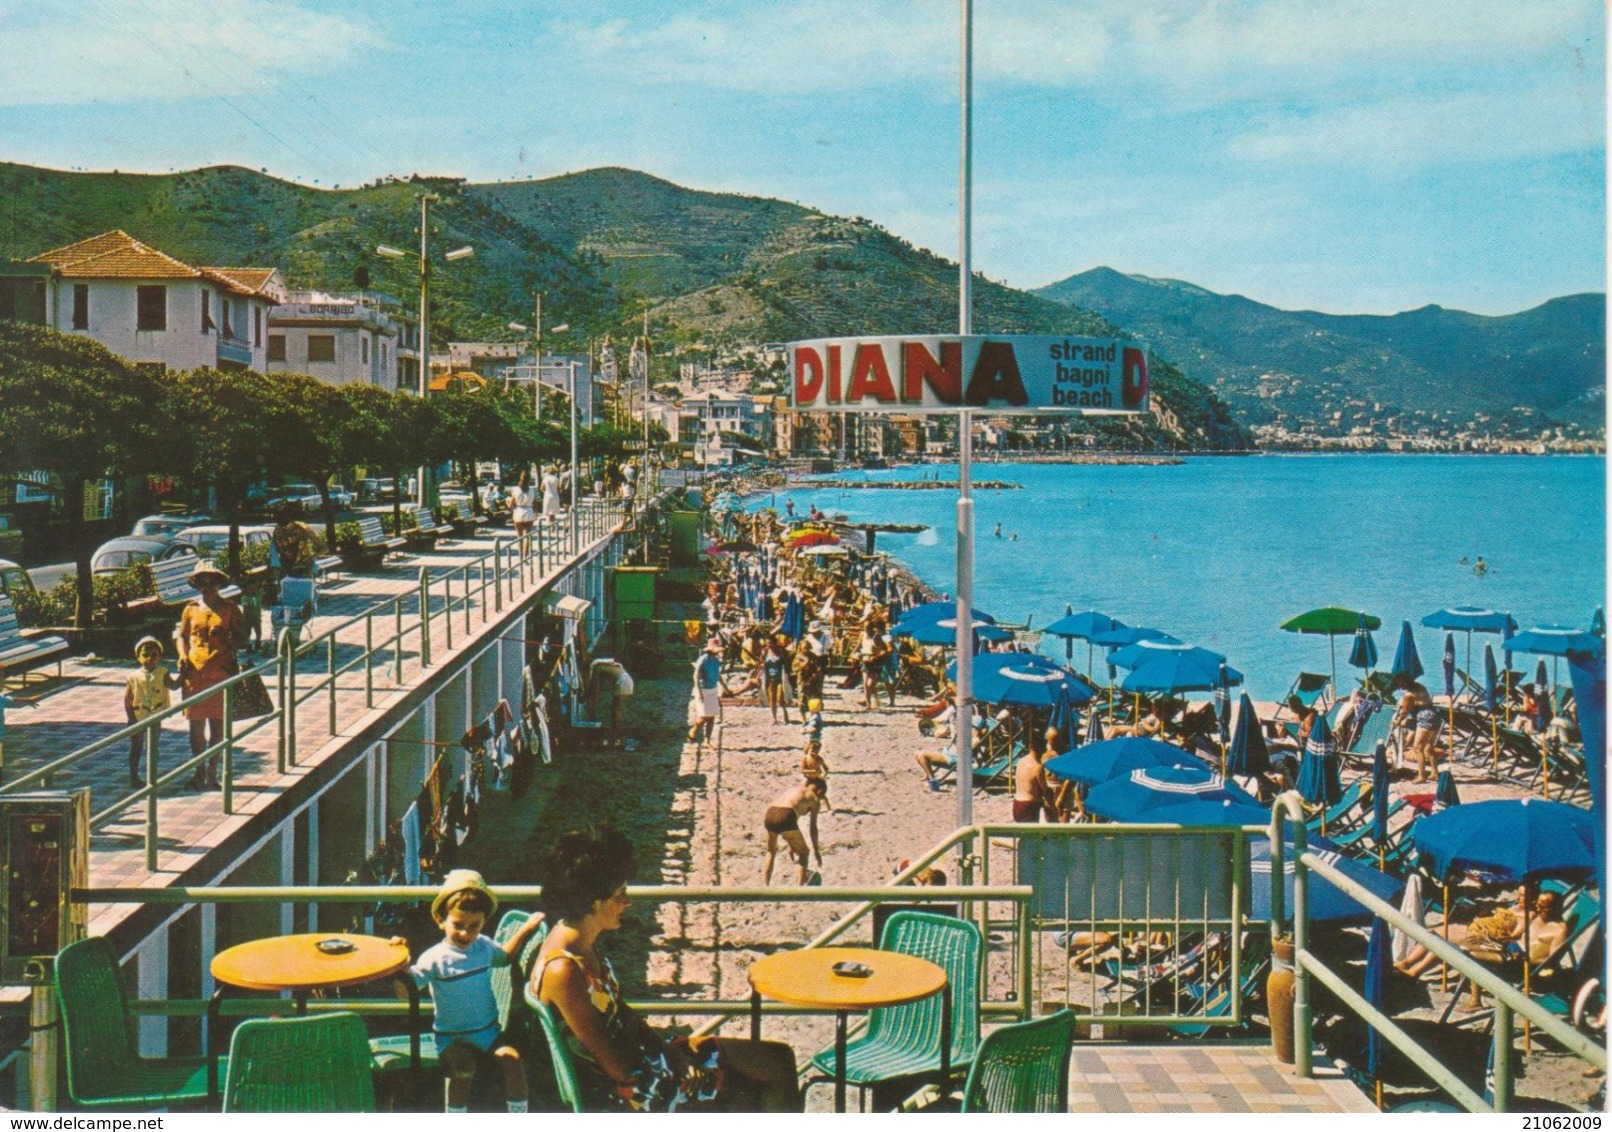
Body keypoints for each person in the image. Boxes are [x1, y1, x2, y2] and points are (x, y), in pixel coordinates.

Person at [532, 823, 802, 1111]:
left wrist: (670, 1052)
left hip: (646, 1057)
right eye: (620, 894)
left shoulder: (582, 943)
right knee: (754, 1087)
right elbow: (616, 1068)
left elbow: (621, 1014)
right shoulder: (564, 970)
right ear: (595, 903)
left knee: (780, 1058)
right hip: (630, 1090)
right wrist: (679, 1068)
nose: (628, 902)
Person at [398, 870, 547, 1113]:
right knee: (463, 1069)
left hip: (489, 1033)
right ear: (440, 920)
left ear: (483, 922)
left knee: (513, 1061)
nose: (466, 933)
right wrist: (402, 965)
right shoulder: (434, 958)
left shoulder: (484, 947)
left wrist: (527, 928)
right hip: (451, 1037)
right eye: (457, 925)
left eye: (474, 926)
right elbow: (406, 993)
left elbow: (506, 957)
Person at [176, 561, 246, 790]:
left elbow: (243, 639)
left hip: (220, 672)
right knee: (196, 726)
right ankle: (199, 772)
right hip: (194, 674)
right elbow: (182, 636)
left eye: (212, 582)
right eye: (202, 582)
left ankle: (213, 774)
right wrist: (182, 656)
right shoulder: (190, 609)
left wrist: (227, 638)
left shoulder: (230, 609)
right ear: (197, 584)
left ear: (219, 584)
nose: (208, 586)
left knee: (217, 726)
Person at [1395, 889, 1567, 980]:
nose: (1538, 908)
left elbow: (1552, 960)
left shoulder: (1559, 929)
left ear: (1556, 908)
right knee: (1442, 935)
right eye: (1538, 905)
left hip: (1519, 962)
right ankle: (1412, 967)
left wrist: (1527, 959)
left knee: (1464, 948)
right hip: (1506, 948)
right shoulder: (1536, 917)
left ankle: (1415, 969)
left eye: (1544, 907)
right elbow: (1516, 935)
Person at [124, 637, 181, 788]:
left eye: (154, 655)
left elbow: (174, 686)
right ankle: (134, 776)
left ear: (159, 656)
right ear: (138, 657)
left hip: (155, 714)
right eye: (145, 655)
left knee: (153, 746)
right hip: (138, 715)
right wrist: (131, 719)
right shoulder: (133, 677)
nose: (149, 658)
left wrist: (185, 672)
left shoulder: (163, 673)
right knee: (136, 746)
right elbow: (128, 699)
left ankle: (151, 775)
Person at [763, 778, 827, 885]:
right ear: (820, 792)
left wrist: (792, 845)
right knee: (804, 853)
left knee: (770, 851)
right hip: (787, 815)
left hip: (770, 813)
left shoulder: (794, 789)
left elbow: (784, 818)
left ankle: (765, 887)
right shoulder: (814, 799)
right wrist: (816, 850)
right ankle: (799, 888)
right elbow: (813, 827)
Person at [1391, 677, 1441, 782]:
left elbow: (1404, 712)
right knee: (1429, 748)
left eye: (1400, 683)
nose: (1400, 686)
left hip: (1425, 719)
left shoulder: (1408, 695)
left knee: (1417, 748)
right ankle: (1434, 773)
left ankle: (1421, 776)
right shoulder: (1419, 686)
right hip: (1435, 715)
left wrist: (1398, 721)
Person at [1012, 728, 1055, 822]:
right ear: (1042, 749)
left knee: (1023, 835)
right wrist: (1053, 807)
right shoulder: (1038, 767)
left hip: (1016, 804)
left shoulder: (1021, 761)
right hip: (1029, 806)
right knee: (1031, 836)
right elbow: (1045, 791)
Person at [687, 638, 722, 750]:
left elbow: (718, 675)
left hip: (713, 688)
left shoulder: (716, 660)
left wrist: (725, 687)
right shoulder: (702, 660)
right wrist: (699, 692)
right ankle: (694, 730)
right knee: (704, 716)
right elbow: (695, 677)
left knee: (712, 716)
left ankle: (707, 739)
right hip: (704, 689)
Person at [271, 506, 316, 579]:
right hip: (288, 565)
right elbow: (275, 548)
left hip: (299, 566)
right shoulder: (278, 530)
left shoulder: (300, 528)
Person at [763, 633, 793, 724]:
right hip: (769, 677)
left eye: (770, 643)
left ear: (774, 643)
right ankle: (774, 718)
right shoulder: (765, 652)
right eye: (767, 643)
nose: (769, 645)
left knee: (780, 698)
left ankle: (785, 714)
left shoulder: (781, 651)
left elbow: (787, 662)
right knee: (772, 698)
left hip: (780, 677)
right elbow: (761, 663)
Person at [509, 470, 536, 553]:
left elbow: (511, 505)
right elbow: (534, 503)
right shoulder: (532, 490)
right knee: (527, 536)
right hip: (529, 511)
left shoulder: (515, 490)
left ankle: (520, 556)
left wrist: (509, 505)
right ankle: (526, 556)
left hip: (518, 512)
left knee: (519, 536)